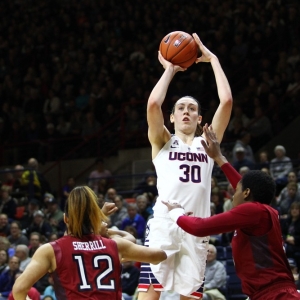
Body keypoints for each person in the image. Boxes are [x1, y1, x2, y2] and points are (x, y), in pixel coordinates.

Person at [137, 33, 232, 300]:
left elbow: (226, 102)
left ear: (200, 117)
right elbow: (153, 103)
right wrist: (170, 69)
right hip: (164, 225)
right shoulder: (162, 141)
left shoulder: (208, 143)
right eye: (180, 108)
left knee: (190, 296)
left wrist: (212, 58)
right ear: (173, 116)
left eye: (192, 108)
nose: (186, 111)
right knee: (149, 294)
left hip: (197, 226)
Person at [163, 124, 300, 300]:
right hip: (265, 293)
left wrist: (176, 213)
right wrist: (219, 158)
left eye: (236, 191)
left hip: (276, 294)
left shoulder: (253, 210)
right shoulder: (263, 211)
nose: (233, 194)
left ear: (246, 193)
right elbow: (244, 185)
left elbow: (200, 227)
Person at [12, 186, 166, 300]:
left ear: (65, 219)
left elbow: (19, 289)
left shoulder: (51, 250)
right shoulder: (115, 245)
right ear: (95, 218)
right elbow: (159, 256)